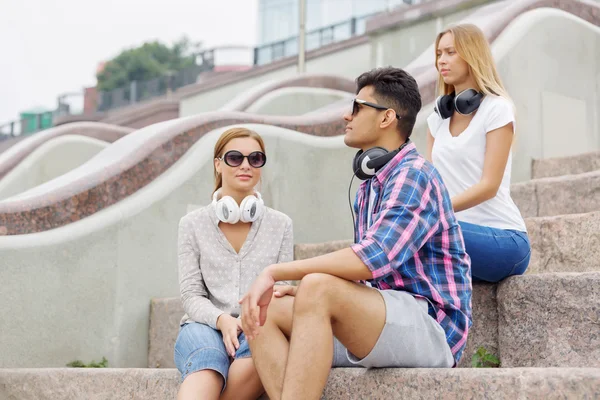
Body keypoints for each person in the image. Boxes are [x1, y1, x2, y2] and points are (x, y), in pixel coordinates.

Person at [238, 67, 472, 400]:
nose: (347, 115)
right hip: (384, 319)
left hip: (431, 327)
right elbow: (372, 279)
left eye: (358, 107)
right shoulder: (370, 186)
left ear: (387, 118)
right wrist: (299, 295)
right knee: (266, 310)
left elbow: (373, 258)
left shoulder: (414, 175)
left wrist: (275, 272)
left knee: (317, 286)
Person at [174, 127, 293, 400]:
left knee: (256, 360)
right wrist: (222, 319)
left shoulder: (281, 224)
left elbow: (281, 289)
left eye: (255, 159)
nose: (245, 165)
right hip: (203, 326)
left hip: (259, 327)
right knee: (206, 367)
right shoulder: (192, 224)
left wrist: (246, 322)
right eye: (234, 158)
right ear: (218, 164)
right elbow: (191, 295)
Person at [426, 23, 531, 283]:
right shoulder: (437, 118)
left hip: (503, 239)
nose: (442, 60)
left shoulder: (497, 109)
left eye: (450, 52)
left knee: (422, 231)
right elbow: (430, 183)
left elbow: (489, 186)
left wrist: (436, 213)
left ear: (472, 55)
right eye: (439, 54)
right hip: (451, 232)